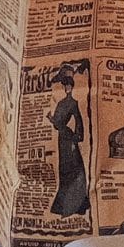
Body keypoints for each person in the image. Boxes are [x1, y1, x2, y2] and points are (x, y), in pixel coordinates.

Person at [47, 68, 89, 220]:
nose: (67, 88)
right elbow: (58, 125)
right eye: (65, 86)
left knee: (75, 168)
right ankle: (65, 204)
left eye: (69, 86)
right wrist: (54, 121)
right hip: (62, 140)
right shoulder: (61, 103)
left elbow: (78, 121)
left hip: (69, 139)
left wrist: (77, 137)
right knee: (64, 169)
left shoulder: (73, 103)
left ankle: (77, 204)